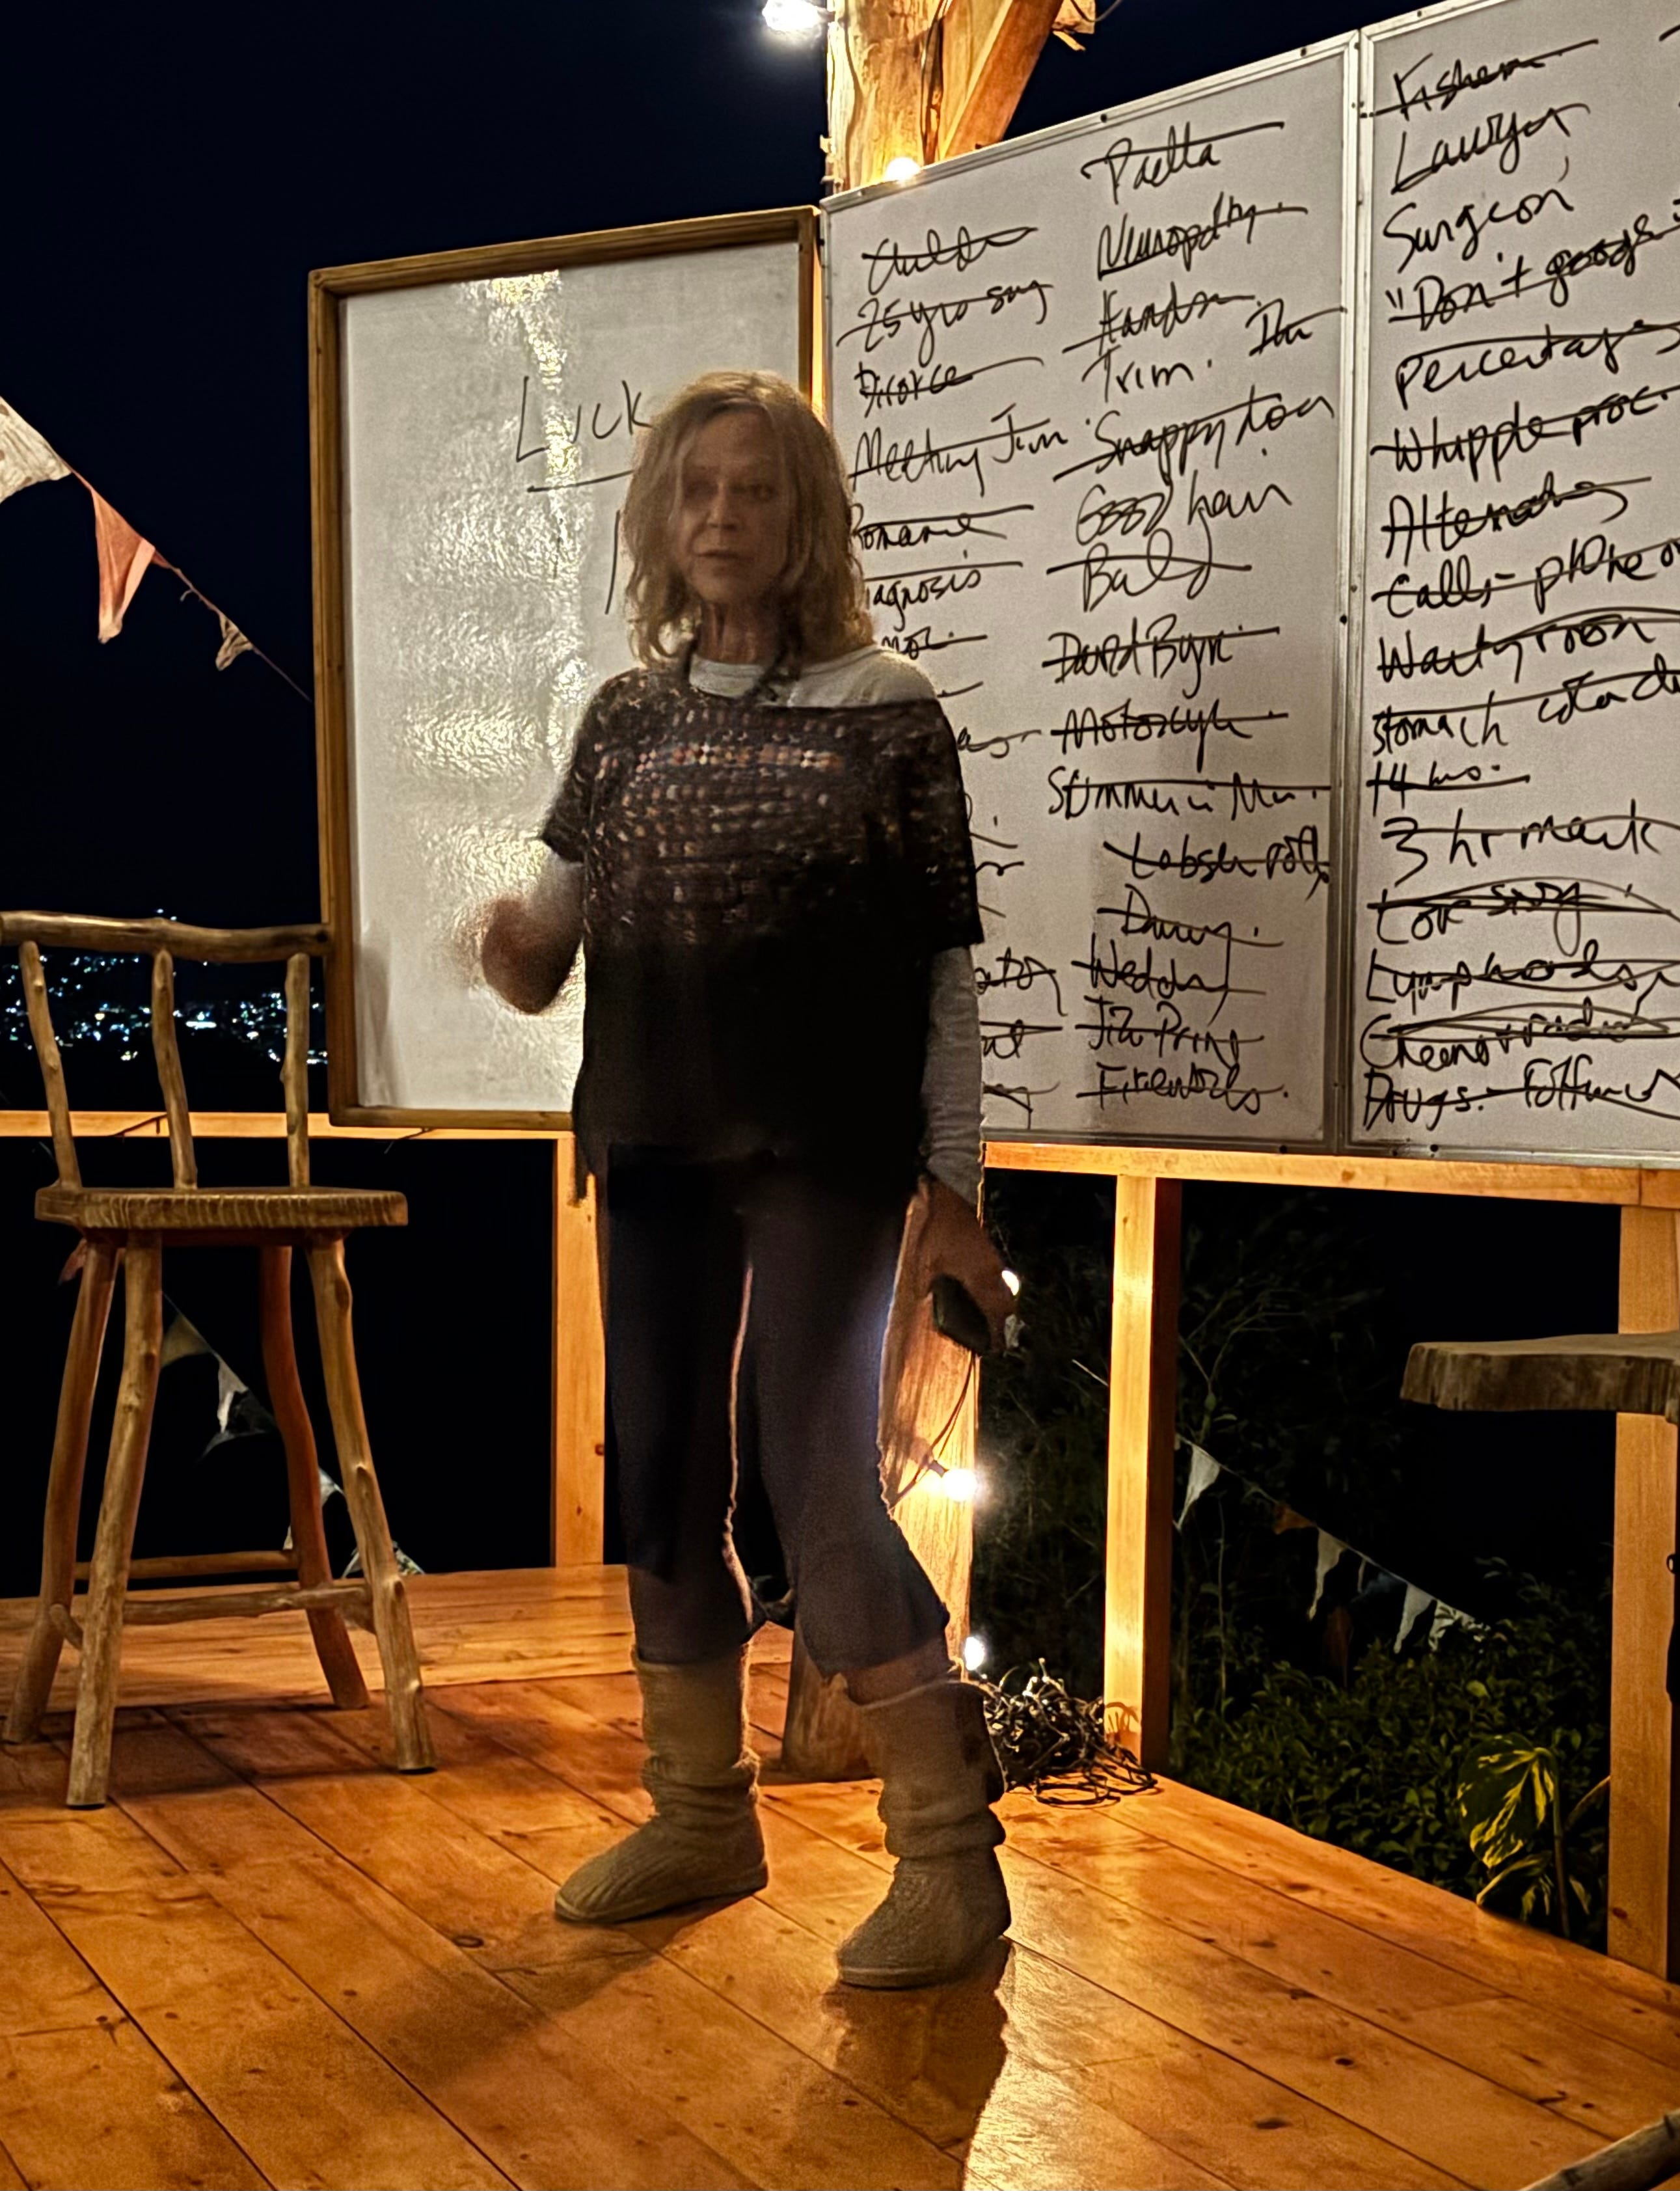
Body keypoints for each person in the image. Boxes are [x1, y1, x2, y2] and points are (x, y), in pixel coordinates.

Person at [480, 368, 1016, 1989]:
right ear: (661, 519)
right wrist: (510, 949)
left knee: (814, 1482)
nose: (722, 518)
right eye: (696, 491)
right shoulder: (623, 719)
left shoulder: (889, 707)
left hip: (822, 1157)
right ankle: (700, 1818)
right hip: (649, 1145)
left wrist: (956, 1187)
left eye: (755, 491)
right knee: (659, 1482)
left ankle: (950, 1863)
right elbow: (548, 937)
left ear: (807, 521)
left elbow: (943, 975)